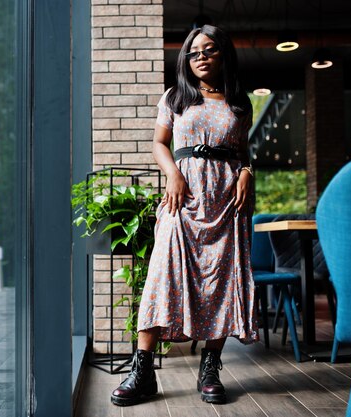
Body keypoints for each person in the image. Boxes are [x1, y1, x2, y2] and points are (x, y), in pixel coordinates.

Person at [111, 25, 258, 407]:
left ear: (223, 54)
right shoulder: (175, 97)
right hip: (183, 199)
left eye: (209, 50)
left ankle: (210, 367)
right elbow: (160, 143)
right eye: (193, 53)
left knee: (222, 283)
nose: (201, 58)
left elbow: (242, 152)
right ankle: (142, 371)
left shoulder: (240, 102)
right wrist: (174, 173)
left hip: (226, 204)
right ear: (186, 60)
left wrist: (246, 173)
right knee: (161, 277)